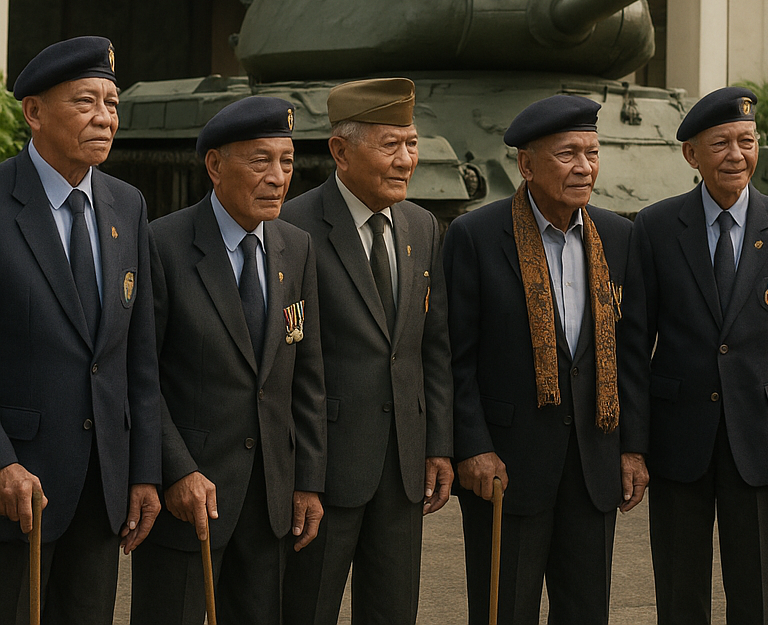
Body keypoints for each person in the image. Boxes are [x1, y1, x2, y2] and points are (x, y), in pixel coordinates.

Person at [443, 94, 649, 625]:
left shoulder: (620, 238)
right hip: (507, 469)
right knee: (502, 610)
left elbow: (631, 355)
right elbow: (454, 358)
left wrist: (631, 450)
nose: (584, 166)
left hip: (592, 466)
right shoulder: (476, 236)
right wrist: (473, 447)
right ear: (527, 165)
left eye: (592, 152)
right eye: (567, 154)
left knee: (586, 612)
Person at [629, 86, 768, 625]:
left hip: (762, 439)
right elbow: (634, 344)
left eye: (747, 141)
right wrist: (634, 446)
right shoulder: (655, 226)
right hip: (678, 440)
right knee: (678, 590)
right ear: (692, 154)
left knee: (757, 594)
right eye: (720, 144)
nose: (736, 155)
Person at [131, 95, 326, 625]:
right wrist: (177, 470)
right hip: (190, 499)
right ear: (215, 165)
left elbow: (305, 376)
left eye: (287, 162)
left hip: (270, 504)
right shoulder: (162, 245)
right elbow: (141, 375)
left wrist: (307, 480)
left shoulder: (296, 246)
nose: (278, 177)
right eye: (260, 160)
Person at [0, 36, 161, 625]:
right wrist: (1, 462)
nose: (105, 117)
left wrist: (143, 470)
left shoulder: (128, 205)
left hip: (102, 486)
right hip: (17, 488)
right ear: (35, 113)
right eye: (85, 101)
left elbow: (136, 358)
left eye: (113, 103)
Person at [281, 78, 453, 625]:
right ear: (340, 150)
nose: (407, 160)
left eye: (412, 143)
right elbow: (283, 363)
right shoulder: (292, 226)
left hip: (402, 468)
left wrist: (438, 444)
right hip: (324, 469)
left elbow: (432, 347)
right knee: (306, 609)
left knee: (393, 610)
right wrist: (301, 473)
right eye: (390, 145)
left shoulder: (421, 225)